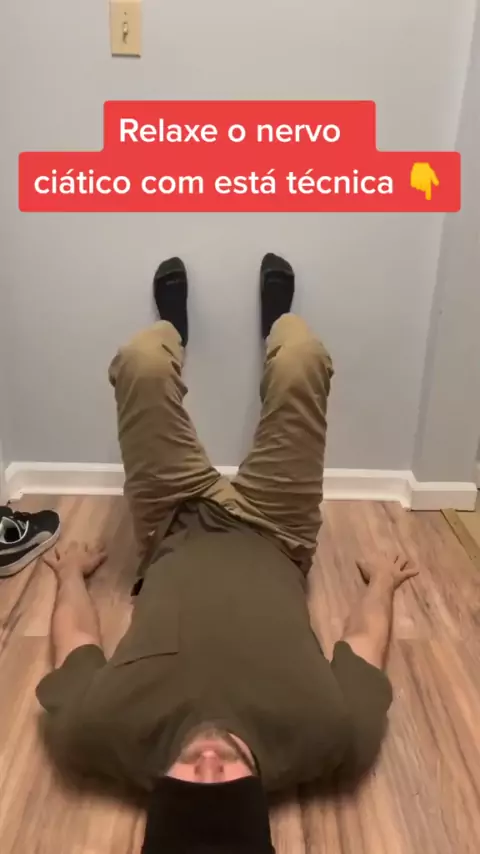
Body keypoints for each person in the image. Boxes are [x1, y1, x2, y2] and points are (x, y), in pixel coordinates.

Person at [36, 254, 418, 854]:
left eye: (190, 778)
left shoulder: (96, 731)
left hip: (173, 521)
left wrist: (71, 578)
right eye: (229, 781)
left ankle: (174, 328)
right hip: (276, 528)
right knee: (301, 359)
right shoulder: (331, 732)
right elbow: (364, 645)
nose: (210, 759)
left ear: (159, 795)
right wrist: (383, 585)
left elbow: (76, 643)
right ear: (258, 800)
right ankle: (278, 322)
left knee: (140, 362)